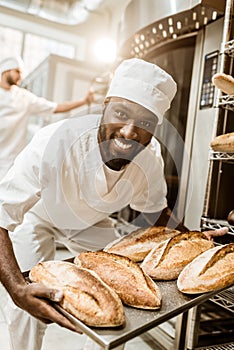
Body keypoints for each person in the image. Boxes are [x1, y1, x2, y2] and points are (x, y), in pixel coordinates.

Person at [0, 58, 227, 350]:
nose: (130, 132)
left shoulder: (150, 157)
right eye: (121, 113)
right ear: (104, 106)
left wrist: (195, 239)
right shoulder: (53, 144)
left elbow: (156, 211)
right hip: (38, 218)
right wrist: (17, 288)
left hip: (91, 223)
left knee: (120, 301)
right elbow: (2, 214)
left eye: (145, 123)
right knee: (28, 304)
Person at [0, 56, 94, 179]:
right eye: (17, 71)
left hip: (10, 164)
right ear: (6, 71)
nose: (21, 76)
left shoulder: (24, 97)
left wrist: (83, 101)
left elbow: (56, 107)